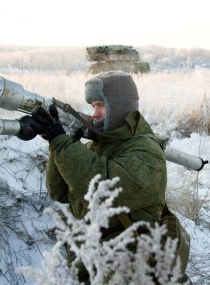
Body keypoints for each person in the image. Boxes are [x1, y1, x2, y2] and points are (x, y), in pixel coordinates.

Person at [29, 71, 184, 283]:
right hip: (90, 258)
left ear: (120, 106)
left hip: (129, 262)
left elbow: (105, 189)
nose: (95, 114)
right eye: (92, 106)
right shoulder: (98, 145)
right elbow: (60, 193)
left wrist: (63, 144)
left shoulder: (146, 152)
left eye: (100, 105)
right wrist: (57, 143)